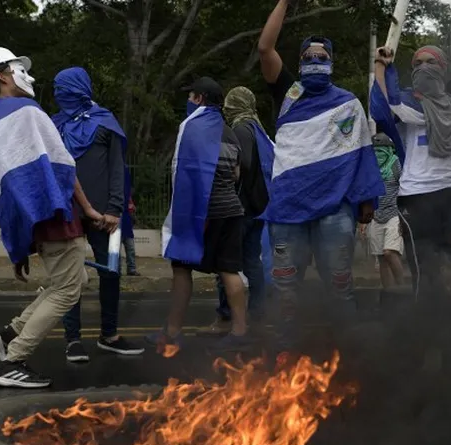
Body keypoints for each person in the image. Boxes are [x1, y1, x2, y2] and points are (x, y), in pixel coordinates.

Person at [0, 47, 104, 388]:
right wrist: (87, 208)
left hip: (35, 217)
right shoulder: (26, 110)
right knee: (68, 289)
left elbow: (0, 186)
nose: (28, 76)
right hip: (55, 211)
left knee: (71, 283)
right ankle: (14, 360)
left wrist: (20, 239)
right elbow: (60, 165)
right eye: (20, 69)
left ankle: (11, 331)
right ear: (2, 75)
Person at [257, 0, 385, 341]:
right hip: (288, 208)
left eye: (322, 57)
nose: (316, 61)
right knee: (286, 294)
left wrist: (366, 202)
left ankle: (349, 359)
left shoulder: (347, 103)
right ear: (299, 65)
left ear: (332, 63)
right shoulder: (288, 94)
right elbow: (264, 47)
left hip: (334, 210)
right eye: (309, 58)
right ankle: (286, 361)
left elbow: (361, 153)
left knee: (340, 288)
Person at [371, 45, 451, 379]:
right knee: (424, 279)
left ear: (443, 68)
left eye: (431, 62)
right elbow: (383, 106)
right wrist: (383, 67)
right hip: (415, 200)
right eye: (417, 63)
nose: (424, 67)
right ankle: (423, 346)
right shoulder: (404, 104)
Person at [150, 77, 249, 351]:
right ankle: (240, 332)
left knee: (181, 267)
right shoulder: (230, 132)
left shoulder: (193, 128)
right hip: (231, 209)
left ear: (201, 99)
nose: (189, 101)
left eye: (191, 96)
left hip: (203, 212)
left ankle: (172, 331)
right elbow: (237, 173)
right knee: (229, 269)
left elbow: (186, 173)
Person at [52, 67, 144, 362]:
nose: (58, 94)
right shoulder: (53, 125)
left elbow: (118, 169)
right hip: (66, 213)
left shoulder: (105, 123)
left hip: (105, 215)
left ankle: (110, 334)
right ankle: (73, 339)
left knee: (111, 273)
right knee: (70, 277)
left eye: (63, 88)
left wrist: (115, 208)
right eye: (56, 89)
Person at [211, 86, 274, 332]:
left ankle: (226, 317)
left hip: (241, 208)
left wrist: (231, 173)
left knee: (226, 263)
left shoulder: (240, 128)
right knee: (252, 263)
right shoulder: (258, 129)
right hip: (259, 207)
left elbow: (243, 163)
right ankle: (257, 315)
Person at [362, 133, 404, 289]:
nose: (378, 154)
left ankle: (401, 287)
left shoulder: (395, 164)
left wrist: (405, 214)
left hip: (394, 214)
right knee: (381, 259)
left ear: (389, 149)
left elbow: (404, 187)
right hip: (375, 216)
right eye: (375, 150)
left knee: (389, 253)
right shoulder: (369, 169)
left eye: (382, 150)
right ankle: (389, 294)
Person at [123, 187, 140, 276]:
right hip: (118, 225)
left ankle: (131, 269)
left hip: (127, 226)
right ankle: (116, 269)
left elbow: (133, 208)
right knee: (116, 250)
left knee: (130, 248)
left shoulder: (128, 197)